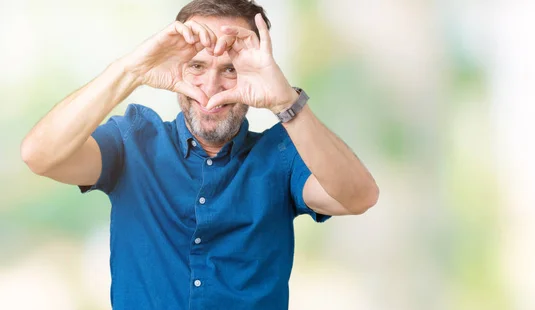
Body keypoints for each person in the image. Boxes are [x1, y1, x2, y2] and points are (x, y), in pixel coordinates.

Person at [21, 0, 379, 309]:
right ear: (177, 66)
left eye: (230, 70)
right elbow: (40, 155)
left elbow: (358, 196)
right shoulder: (133, 141)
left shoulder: (281, 153)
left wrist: (286, 100)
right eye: (197, 66)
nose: (210, 88)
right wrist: (132, 71)